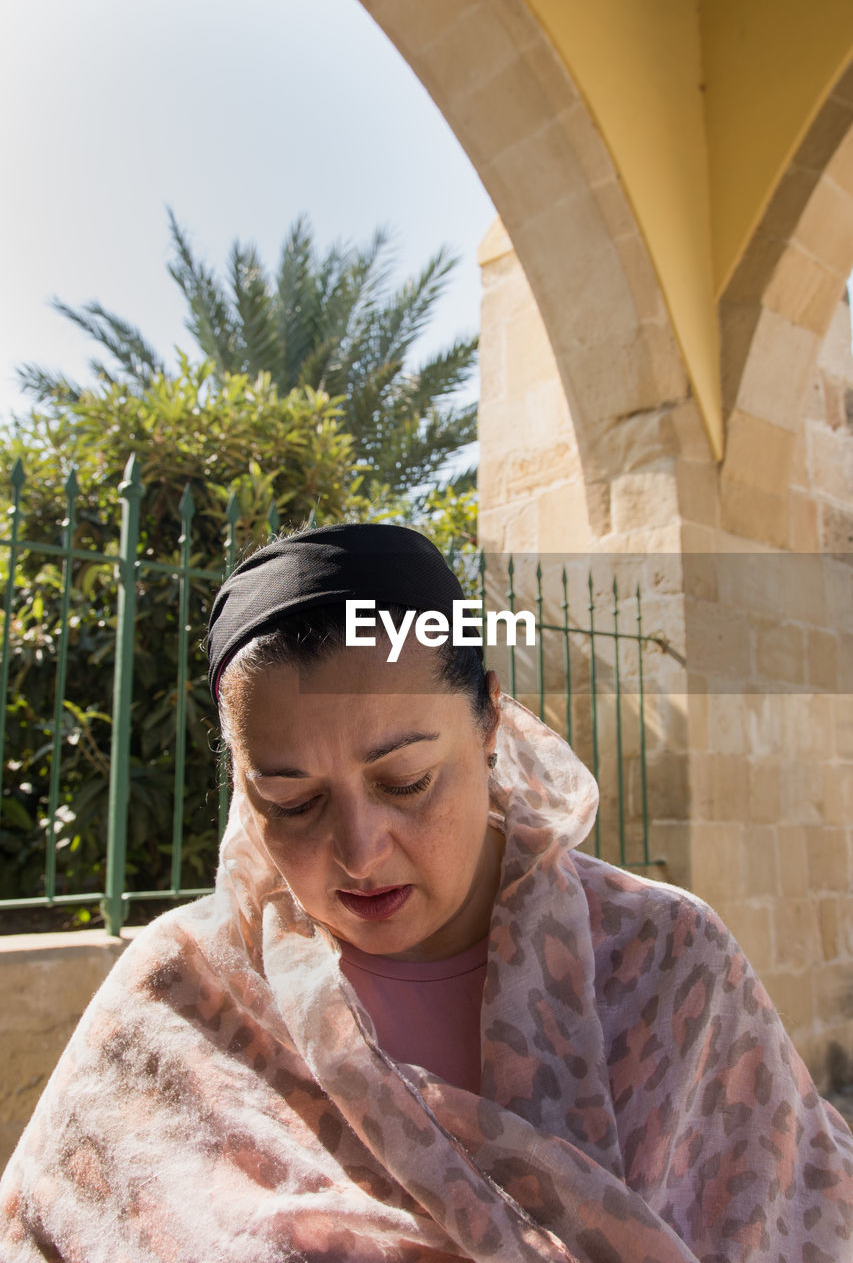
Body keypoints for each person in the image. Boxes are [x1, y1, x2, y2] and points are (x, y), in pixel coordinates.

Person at [1, 522, 851, 1262]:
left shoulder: (667, 966)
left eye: (406, 780)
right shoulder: (180, 999)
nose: (360, 852)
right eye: (293, 803)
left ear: (486, 722)